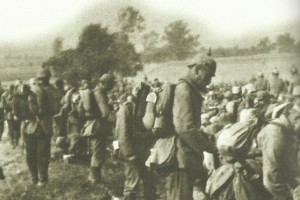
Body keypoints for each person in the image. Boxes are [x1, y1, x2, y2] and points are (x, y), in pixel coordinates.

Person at [168, 55, 217, 200]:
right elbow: (184, 127)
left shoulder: (189, 90)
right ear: (196, 70)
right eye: (207, 76)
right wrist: (207, 146)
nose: (209, 81)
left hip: (185, 156)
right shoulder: (184, 90)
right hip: (181, 158)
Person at [115, 82, 155, 200]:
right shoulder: (126, 109)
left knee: (150, 181)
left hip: (144, 151)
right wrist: (130, 154)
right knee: (132, 183)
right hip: (132, 152)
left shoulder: (144, 109)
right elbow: (122, 134)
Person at [258, 105, 300, 199]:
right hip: (265, 183)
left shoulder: (284, 128)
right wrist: (290, 195)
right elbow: (270, 180)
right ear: (296, 118)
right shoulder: (275, 137)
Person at [24, 67, 57, 186]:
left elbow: (54, 108)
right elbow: (25, 106)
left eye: (44, 79)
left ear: (48, 78)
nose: (42, 81)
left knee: (42, 156)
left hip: (44, 126)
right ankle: (34, 177)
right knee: (30, 155)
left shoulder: (52, 91)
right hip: (31, 127)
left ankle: (43, 179)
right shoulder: (33, 90)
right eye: (41, 79)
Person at [87, 73, 116, 184]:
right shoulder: (99, 93)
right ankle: (95, 179)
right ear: (106, 83)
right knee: (98, 152)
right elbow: (106, 113)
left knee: (99, 152)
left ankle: (95, 178)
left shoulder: (100, 92)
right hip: (97, 126)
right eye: (111, 84)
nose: (112, 87)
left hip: (97, 125)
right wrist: (118, 122)